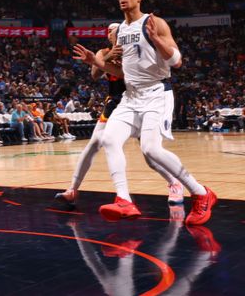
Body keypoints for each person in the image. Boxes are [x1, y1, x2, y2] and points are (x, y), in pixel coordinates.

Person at [73, 0, 216, 225]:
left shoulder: (154, 22)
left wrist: (156, 40)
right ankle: (124, 200)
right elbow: (121, 73)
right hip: (130, 95)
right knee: (108, 139)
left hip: (157, 93)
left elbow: (177, 62)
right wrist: (95, 63)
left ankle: (201, 193)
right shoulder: (120, 32)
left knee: (150, 150)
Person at [57, 23, 183, 209]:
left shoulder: (135, 50)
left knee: (150, 154)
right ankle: (73, 189)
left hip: (139, 100)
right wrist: (108, 57)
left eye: (113, 29)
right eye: (108, 30)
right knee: (93, 144)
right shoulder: (102, 52)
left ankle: (174, 182)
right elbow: (94, 74)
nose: (109, 32)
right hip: (115, 101)